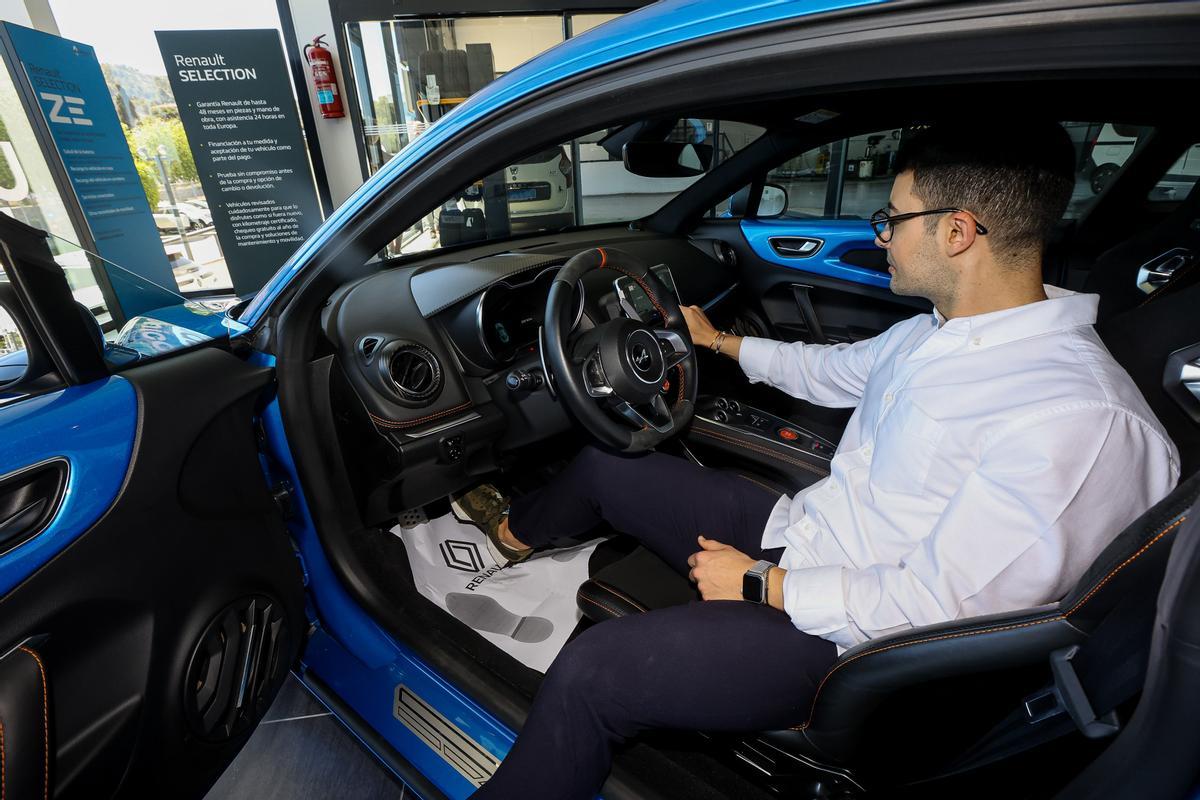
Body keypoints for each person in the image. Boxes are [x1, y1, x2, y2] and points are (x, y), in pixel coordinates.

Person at [458, 122, 1181, 800]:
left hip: (841, 643)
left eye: (892, 219)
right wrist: (716, 344)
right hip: (806, 532)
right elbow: (832, 371)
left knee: (592, 675)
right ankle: (501, 541)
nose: (880, 238)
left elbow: (942, 611)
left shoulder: (1078, 421)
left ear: (957, 232)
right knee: (604, 464)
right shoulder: (945, 332)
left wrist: (760, 584)